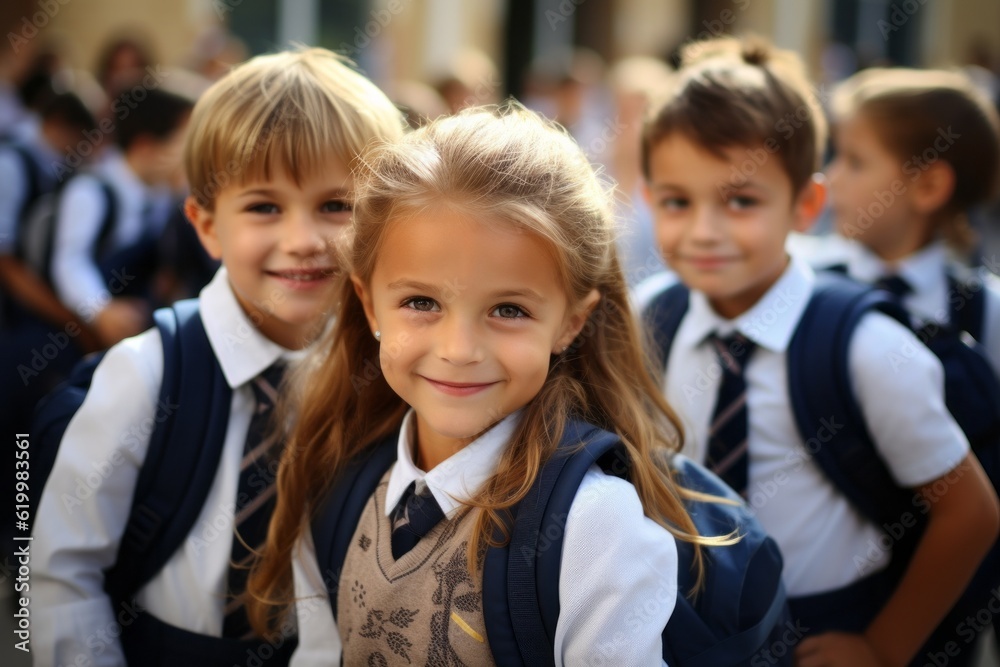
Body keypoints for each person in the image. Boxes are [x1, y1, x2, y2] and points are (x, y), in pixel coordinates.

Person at [245, 103, 738, 666]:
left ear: (571, 322)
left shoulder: (593, 524)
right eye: (421, 302)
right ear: (369, 303)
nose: (458, 350)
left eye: (507, 309)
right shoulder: (338, 479)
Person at [32, 47, 407, 667]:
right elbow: (60, 575)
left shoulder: (382, 378)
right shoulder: (147, 373)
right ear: (206, 225)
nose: (303, 240)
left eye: (336, 205)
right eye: (264, 207)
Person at [638, 36, 1000, 666]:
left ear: (806, 205)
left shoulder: (865, 345)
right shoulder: (650, 316)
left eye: (741, 201)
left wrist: (884, 647)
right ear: (649, 200)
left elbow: (969, 514)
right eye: (677, 202)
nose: (703, 231)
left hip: (818, 633)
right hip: (688, 630)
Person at [825, 66, 1000, 375]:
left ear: (929, 187)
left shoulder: (986, 313)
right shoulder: (812, 283)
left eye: (855, 162)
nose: (831, 178)